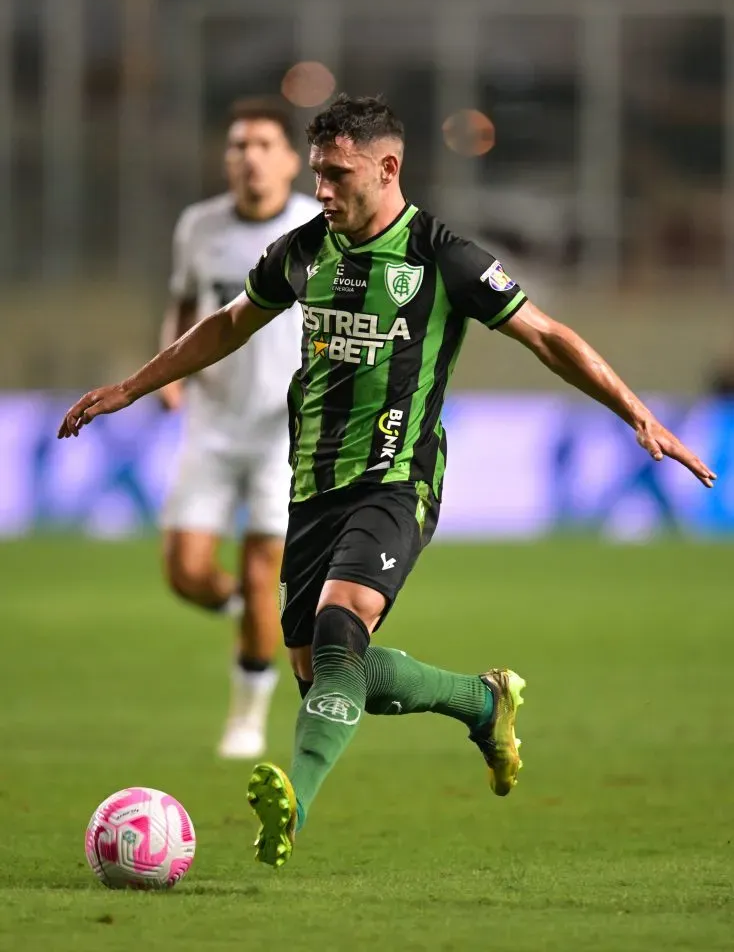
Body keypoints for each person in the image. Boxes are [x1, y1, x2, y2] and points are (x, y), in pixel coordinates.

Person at [58, 94, 716, 869]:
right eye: (318, 174)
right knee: (327, 678)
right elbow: (230, 322)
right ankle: (484, 701)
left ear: (387, 167)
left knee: (341, 629)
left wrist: (636, 411)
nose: (323, 190)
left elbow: (547, 335)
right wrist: (131, 387)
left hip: (397, 480)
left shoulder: (445, 257)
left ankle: (293, 803)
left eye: (337, 175)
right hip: (309, 484)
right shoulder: (304, 250)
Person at [158, 97, 320, 758]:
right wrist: (169, 374)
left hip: (285, 433)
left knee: (263, 578)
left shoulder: (319, 226)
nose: (248, 157)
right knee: (186, 573)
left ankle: (247, 717)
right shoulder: (199, 226)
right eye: (237, 146)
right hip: (213, 424)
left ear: (288, 160)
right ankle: (246, 616)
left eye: (262, 145)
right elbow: (183, 304)